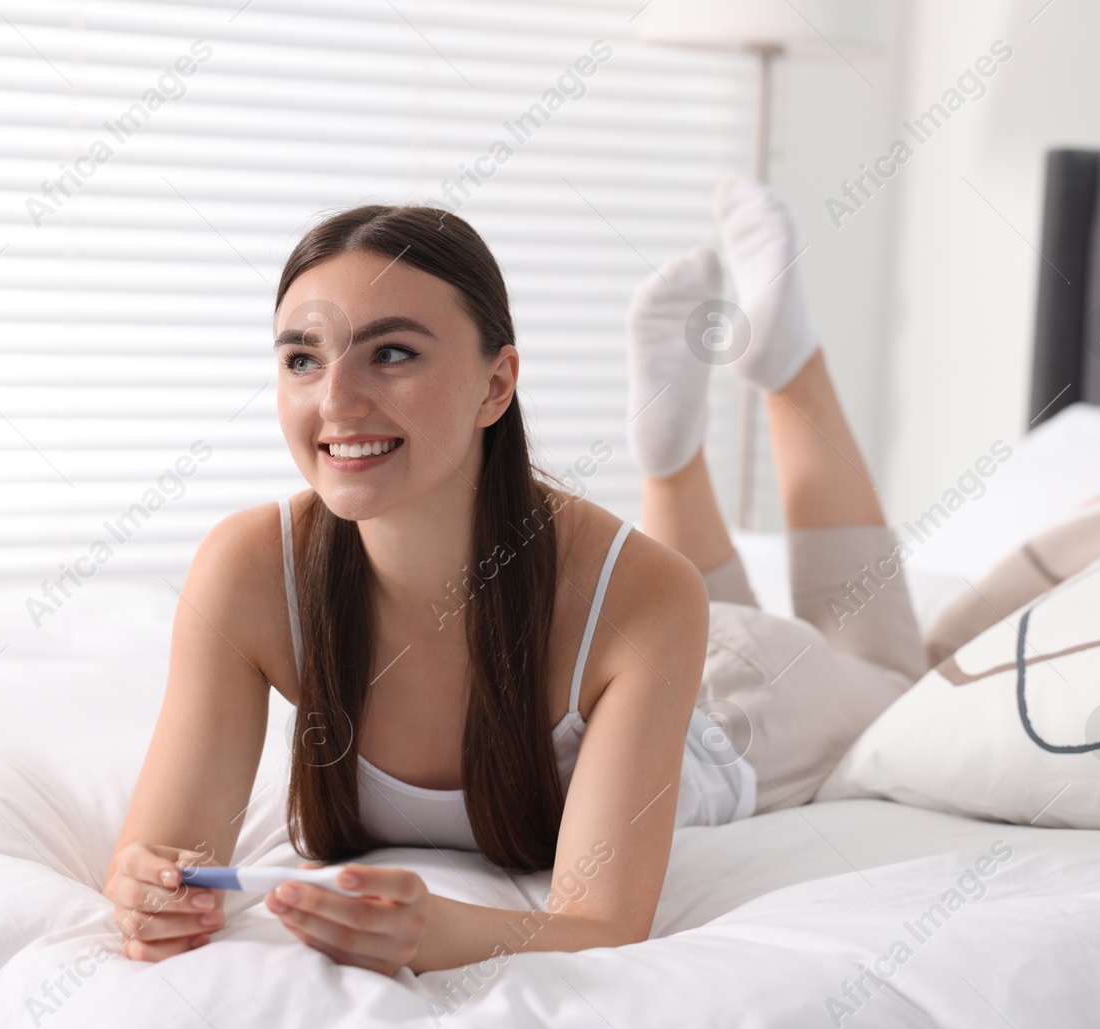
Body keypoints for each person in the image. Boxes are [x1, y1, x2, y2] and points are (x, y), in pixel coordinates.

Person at [102, 181, 927, 975]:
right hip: (645, 632)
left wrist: (433, 929)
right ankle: (671, 456)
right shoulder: (247, 569)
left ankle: (789, 371)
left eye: (391, 353)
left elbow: (600, 922)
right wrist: (148, 892)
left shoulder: (646, 594)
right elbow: (164, 857)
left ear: (496, 384)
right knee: (674, 584)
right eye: (303, 359)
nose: (337, 401)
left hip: (738, 699)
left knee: (889, 672)